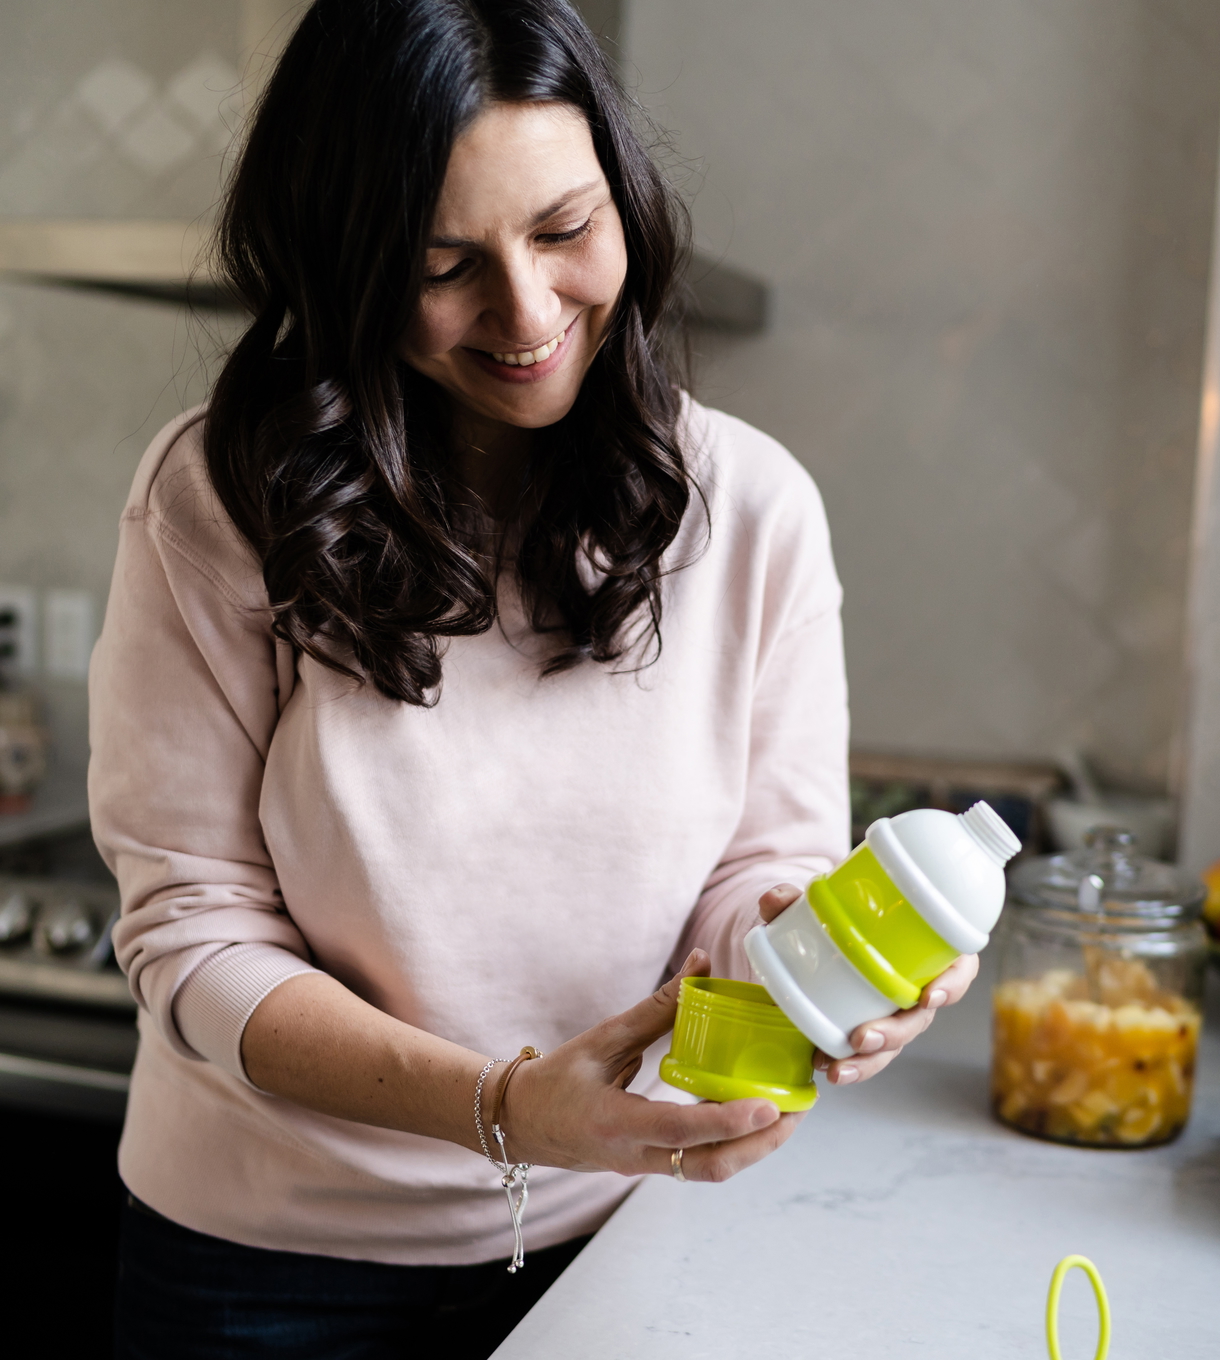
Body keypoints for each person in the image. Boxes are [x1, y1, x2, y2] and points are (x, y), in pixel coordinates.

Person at [90, 2, 978, 1355]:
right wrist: (501, 1108)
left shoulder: (752, 510)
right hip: (261, 1260)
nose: (525, 312)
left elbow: (754, 879)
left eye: (565, 230)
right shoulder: (216, 498)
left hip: (610, 1226)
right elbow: (191, 935)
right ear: (344, 269)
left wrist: (836, 962)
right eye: (441, 266)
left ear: (625, 200)